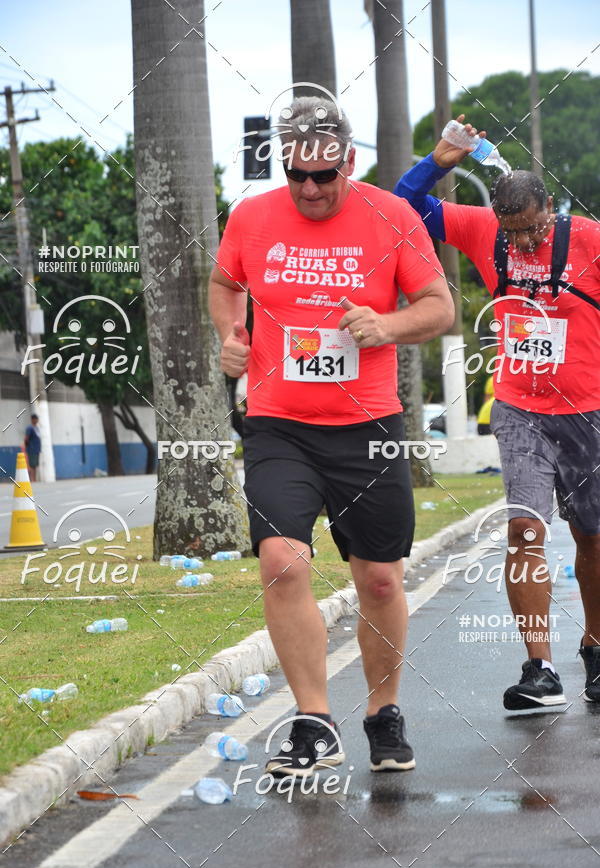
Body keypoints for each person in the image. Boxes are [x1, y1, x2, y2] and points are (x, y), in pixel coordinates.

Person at [209, 96, 454, 775]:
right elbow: (225, 283)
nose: (311, 189)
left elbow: (439, 307)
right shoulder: (253, 217)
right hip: (278, 426)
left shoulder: (391, 215)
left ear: (349, 160)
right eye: (297, 175)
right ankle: (314, 720)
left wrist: (388, 325)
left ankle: (383, 713)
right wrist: (230, 334)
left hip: (368, 427)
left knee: (378, 580)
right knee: (281, 560)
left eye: (324, 175)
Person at [395, 115, 600, 709]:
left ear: (550, 212)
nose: (526, 244)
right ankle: (539, 669)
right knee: (524, 529)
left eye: (535, 231)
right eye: (515, 235)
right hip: (520, 407)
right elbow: (403, 207)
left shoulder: (588, 239)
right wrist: (441, 158)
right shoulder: (485, 230)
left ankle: (595, 647)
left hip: (587, 409)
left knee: (592, 536)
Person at [24, 413, 41, 482]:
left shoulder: (36, 428)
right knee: (31, 465)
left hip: (36, 449)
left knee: (35, 465)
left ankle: (34, 479)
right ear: (32, 419)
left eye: (37, 419)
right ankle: (31, 479)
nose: (37, 420)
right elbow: (26, 438)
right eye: (35, 419)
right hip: (32, 449)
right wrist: (28, 446)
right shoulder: (30, 428)